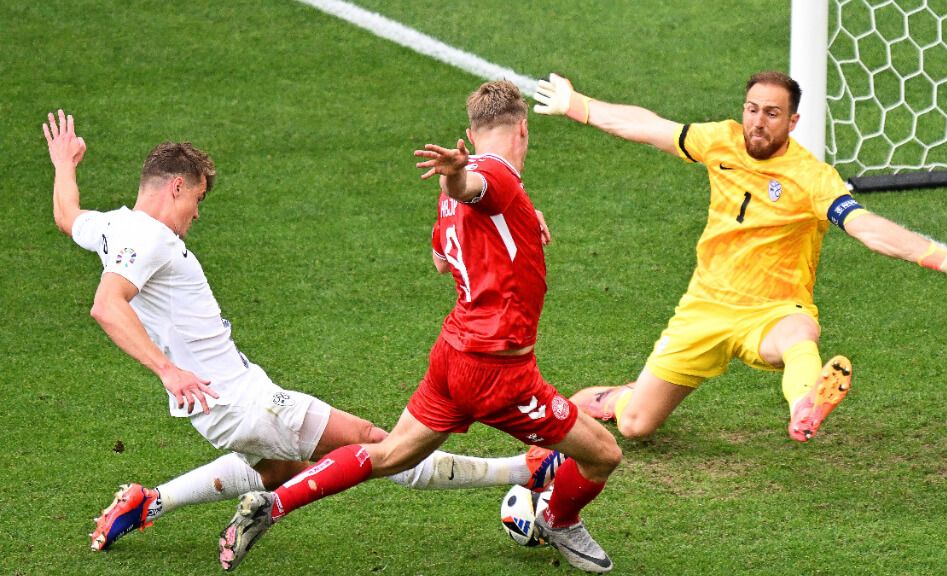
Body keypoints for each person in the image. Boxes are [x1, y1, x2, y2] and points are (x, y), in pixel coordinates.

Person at [42, 110, 564, 553]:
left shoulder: (114, 226)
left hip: (213, 408)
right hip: (241, 400)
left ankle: (149, 502)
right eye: (195, 200)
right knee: (378, 445)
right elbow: (107, 306)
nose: (196, 214)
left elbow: (68, 217)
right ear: (175, 185)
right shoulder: (150, 236)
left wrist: (64, 164)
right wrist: (167, 368)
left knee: (279, 471)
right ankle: (524, 469)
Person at [217, 80, 622, 574]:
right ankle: (558, 518)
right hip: (500, 373)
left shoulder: (474, 196)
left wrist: (515, 222)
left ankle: (274, 505)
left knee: (389, 454)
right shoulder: (490, 177)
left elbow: (440, 256)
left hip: (453, 357)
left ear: (469, 135)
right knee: (601, 454)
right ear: (523, 127)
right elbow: (474, 187)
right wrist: (460, 180)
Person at [532, 71, 947, 443]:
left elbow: (866, 228)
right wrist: (578, 104)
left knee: (800, 334)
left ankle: (806, 405)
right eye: (751, 109)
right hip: (704, 308)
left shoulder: (812, 177)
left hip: (772, 312)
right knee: (637, 425)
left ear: (792, 121)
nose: (757, 122)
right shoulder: (719, 141)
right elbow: (650, 127)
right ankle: (618, 398)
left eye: (770, 113)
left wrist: (940, 256)